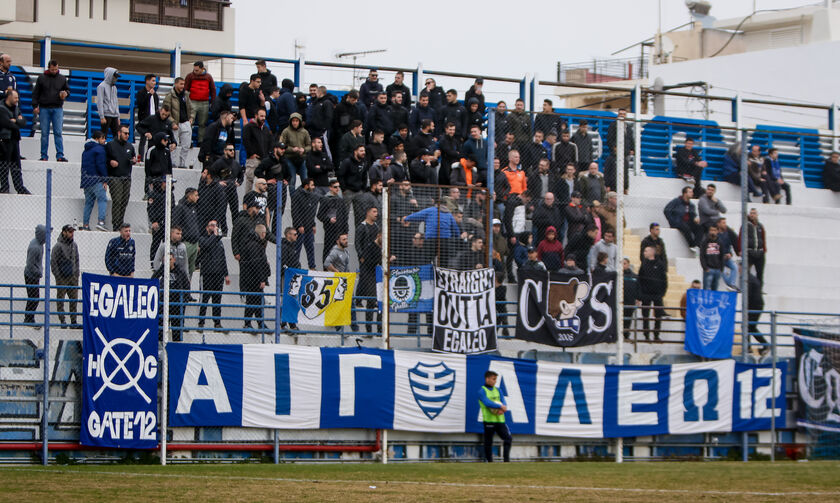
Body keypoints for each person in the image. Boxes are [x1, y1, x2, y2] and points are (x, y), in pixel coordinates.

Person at [32, 60, 70, 162]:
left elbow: (68, 90)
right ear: (49, 68)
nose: (54, 71)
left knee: (58, 132)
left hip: (57, 108)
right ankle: (44, 155)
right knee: (44, 133)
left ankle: (60, 155)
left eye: (56, 69)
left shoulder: (62, 78)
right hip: (44, 108)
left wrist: (65, 93)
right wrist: (35, 106)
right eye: (52, 69)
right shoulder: (41, 78)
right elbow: (36, 93)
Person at [196, 219, 229, 330]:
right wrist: (214, 236)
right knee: (205, 298)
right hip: (207, 273)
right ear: (207, 227)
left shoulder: (220, 242)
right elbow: (206, 245)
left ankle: (217, 322)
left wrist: (226, 274)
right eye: (211, 225)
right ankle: (201, 322)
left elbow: (223, 258)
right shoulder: (203, 239)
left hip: (218, 274)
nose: (214, 227)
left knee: (217, 299)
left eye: (215, 225)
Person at [153, 252, 191, 341]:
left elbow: (186, 287)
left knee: (177, 331)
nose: (168, 262)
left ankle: (176, 348)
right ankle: (160, 349)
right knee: (160, 331)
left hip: (176, 305)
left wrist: (184, 301)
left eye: (170, 259)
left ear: (174, 260)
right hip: (163, 305)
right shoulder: (161, 271)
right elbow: (152, 280)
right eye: (166, 260)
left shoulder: (180, 272)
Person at [106, 124, 136, 231]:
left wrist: (134, 161)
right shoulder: (110, 145)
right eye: (125, 133)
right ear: (119, 133)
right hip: (115, 177)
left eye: (128, 133)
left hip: (127, 177)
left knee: (124, 201)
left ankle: (120, 223)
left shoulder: (130, 146)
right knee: (117, 200)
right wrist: (110, 162)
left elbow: (133, 157)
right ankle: (116, 224)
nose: (127, 135)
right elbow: (105, 159)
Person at [0, 89, 30, 194]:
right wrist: (17, 122)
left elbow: (23, 122)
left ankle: (20, 187)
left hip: (15, 140)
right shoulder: (1, 108)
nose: (17, 99)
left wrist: (16, 121)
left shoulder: (16, 108)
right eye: (15, 97)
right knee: (4, 164)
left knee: (16, 165)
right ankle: (4, 187)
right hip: (5, 140)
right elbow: (6, 123)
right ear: (9, 97)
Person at [478, 370, 511, 463]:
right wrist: (499, 406)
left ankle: (506, 461)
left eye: (495, 379)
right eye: (493, 379)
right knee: (488, 442)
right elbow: (487, 402)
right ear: (487, 379)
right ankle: (490, 461)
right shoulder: (482, 391)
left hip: (500, 420)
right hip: (489, 420)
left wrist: (503, 407)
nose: (495, 381)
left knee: (508, 438)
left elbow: (503, 401)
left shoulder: (498, 390)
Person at [50, 224, 80, 327]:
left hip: (73, 277)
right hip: (62, 278)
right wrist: (58, 277)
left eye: (72, 232)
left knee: (74, 300)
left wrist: (76, 274)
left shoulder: (74, 245)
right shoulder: (57, 246)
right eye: (70, 231)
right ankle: (62, 321)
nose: (72, 234)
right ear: (64, 232)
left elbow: (77, 260)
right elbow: (53, 262)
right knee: (61, 300)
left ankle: (73, 321)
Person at [637, 246, 667, 341]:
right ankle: (646, 335)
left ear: (651, 252)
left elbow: (664, 280)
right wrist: (640, 294)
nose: (644, 253)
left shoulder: (660, 264)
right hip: (646, 294)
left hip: (657, 294)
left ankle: (656, 335)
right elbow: (640, 279)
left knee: (658, 315)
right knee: (645, 315)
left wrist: (662, 293)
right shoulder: (644, 264)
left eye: (646, 251)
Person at [80, 131, 109, 231]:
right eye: (103, 138)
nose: (105, 141)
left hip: (86, 180)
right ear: (98, 138)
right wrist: (105, 180)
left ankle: (85, 225)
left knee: (89, 203)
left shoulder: (86, 150)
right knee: (102, 200)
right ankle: (101, 222)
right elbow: (101, 165)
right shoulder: (99, 149)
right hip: (96, 180)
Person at [163, 77, 193, 169]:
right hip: (175, 124)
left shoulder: (186, 95)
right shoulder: (169, 96)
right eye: (180, 84)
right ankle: (172, 163)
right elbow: (166, 111)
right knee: (173, 145)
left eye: (183, 84)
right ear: (175, 84)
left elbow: (191, 108)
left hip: (185, 123)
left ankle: (182, 163)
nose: (182, 86)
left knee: (186, 145)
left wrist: (191, 118)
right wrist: (172, 123)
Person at [317, 181, 349, 264]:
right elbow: (319, 215)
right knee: (328, 249)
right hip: (330, 230)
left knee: (340, 251)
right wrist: (329, 220)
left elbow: (345, 216)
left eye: (338, 187)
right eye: (335, 187)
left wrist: (346, 231)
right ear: (330, 188)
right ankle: (326, 269)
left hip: (340, 230)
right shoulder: (325, 199)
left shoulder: (341, 200)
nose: (337, 189)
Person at [291, 178, 320, 270]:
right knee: (297, 249)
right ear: (306, 185)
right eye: (312, 185)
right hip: (300, 228)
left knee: (310, 248)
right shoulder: (296, 195)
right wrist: (299, 225)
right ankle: (295, 266)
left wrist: (313, 224)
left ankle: (312, 267)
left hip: (309, 227)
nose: (313, 187)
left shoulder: (312, 195)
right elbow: (295, 212)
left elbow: (312, 212)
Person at [184, 61, 216, 143]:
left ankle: (200, 141)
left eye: (197, 70)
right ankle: (188, 141)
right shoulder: (190, 76)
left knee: (203, 123)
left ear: (202, 69)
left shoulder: (208, 77)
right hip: (192, 102)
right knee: (190, 122)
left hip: (204, 102)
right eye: (194, 70)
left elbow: (213, 90)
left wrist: (213, 101)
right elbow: (186, 89)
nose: (195, 72)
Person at [242, 109, 273, 193]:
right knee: (250, 181)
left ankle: (260, 203)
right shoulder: (248, 127)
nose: (263, 118)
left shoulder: (265, 129)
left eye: (264, 116)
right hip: (253, 159)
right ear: (256, 116)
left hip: (263, 160)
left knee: (262, 183)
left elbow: (270, 143)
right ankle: (247, 202)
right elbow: (246, 141)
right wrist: (252, 154)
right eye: (261, 116)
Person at [279, 112, 311, 193]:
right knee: (292, 180)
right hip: (290, 158)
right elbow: (281, 145)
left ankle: (306, 199)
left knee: (305, 180)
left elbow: (309, 145)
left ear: (299, 121)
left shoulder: (304, 132)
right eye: (293, 121)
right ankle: (293, 200)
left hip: (302, 158)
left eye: (297, 121)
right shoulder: (286, 131)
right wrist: (292, 149)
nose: (295, 123)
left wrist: (304, 150)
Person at [173, 188, 201, 277]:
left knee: (191, 269)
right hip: (186, 243)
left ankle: (187, 288)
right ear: (190, 196)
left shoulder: (194, 208)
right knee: (182, 267)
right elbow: (176, 224)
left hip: (194, 243)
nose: (198, 197)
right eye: (196, 195)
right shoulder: (180, 207)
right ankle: (180, 287)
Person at [24, 225, 47, 326]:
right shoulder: (35, 247)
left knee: (33, 298)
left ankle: (29, 318)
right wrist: (39, 272)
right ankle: (28, 319)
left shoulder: (39, 243)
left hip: (34, 275)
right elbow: (30, 264)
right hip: (31, 275)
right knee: (34, 298)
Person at [739, 207, 767, 283]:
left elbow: (763, 238)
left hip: (759, 252)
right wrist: (740, 250)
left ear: (757, 215)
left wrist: (764, 249)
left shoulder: (760, 226)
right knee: (746, 272)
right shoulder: (745, 225)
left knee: (760, 273)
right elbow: (741, 237)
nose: (752, 215)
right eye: (751, 213)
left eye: (754, 213)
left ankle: (759, 290)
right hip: (749, 251)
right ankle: (746, 289)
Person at [134, 74, 158, 158]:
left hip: (153, 120)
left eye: (155, 81)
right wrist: (148, 95)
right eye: (153, 80)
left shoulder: (155, 94)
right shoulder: (141, 92)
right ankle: (141, 158)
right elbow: (141, 105)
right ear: (147, 81)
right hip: (144, 120)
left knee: (153, 140)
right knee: (143, 140)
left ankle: (150, 157)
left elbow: (156, 107)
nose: (154, 83)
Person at [716, 217, 740, 291]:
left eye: (725, 223)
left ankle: (731, 284)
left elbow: (730, 246)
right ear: (718, 224)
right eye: (723, 223)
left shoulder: (727, 234)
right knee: (722, 270)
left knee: (735, 267)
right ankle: (730, 285)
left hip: (727, 257)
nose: (725, 225)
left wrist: (730, 254)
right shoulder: (716, 235)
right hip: (718, 258)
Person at [96, 67, 120, 138]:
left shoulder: (114, 88)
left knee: (117, 135)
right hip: (106, 114)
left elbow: (116, 102)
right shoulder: (101, 86)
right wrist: (102, 116)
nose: (116, 79)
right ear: (110, 76)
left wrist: (118, 116)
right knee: (103, 135)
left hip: (114, 115)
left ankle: (116, 149)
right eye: (114, 77)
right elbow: (99, 102)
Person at [699, 225, 724, 290]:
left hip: (717, 269)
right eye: (711, 230)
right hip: (708, 269)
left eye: (714, 230)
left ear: (717, 231)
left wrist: (721, 268)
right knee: (706, 289)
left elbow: (722, 256)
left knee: (715, 290)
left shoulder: (720, 242)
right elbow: (702, 256)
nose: (712, 232)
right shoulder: (705, 242)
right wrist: (705, 268)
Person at [622, 258, 641, 335]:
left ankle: (626, 334)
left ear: (628, 264)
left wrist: (638, 299)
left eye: (624, 263)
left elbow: (638, 288)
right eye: (621, 263)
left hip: (630, 301)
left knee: (628, 319)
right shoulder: (618, 276)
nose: (623, 265)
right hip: (621, 301)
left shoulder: (634, 276)